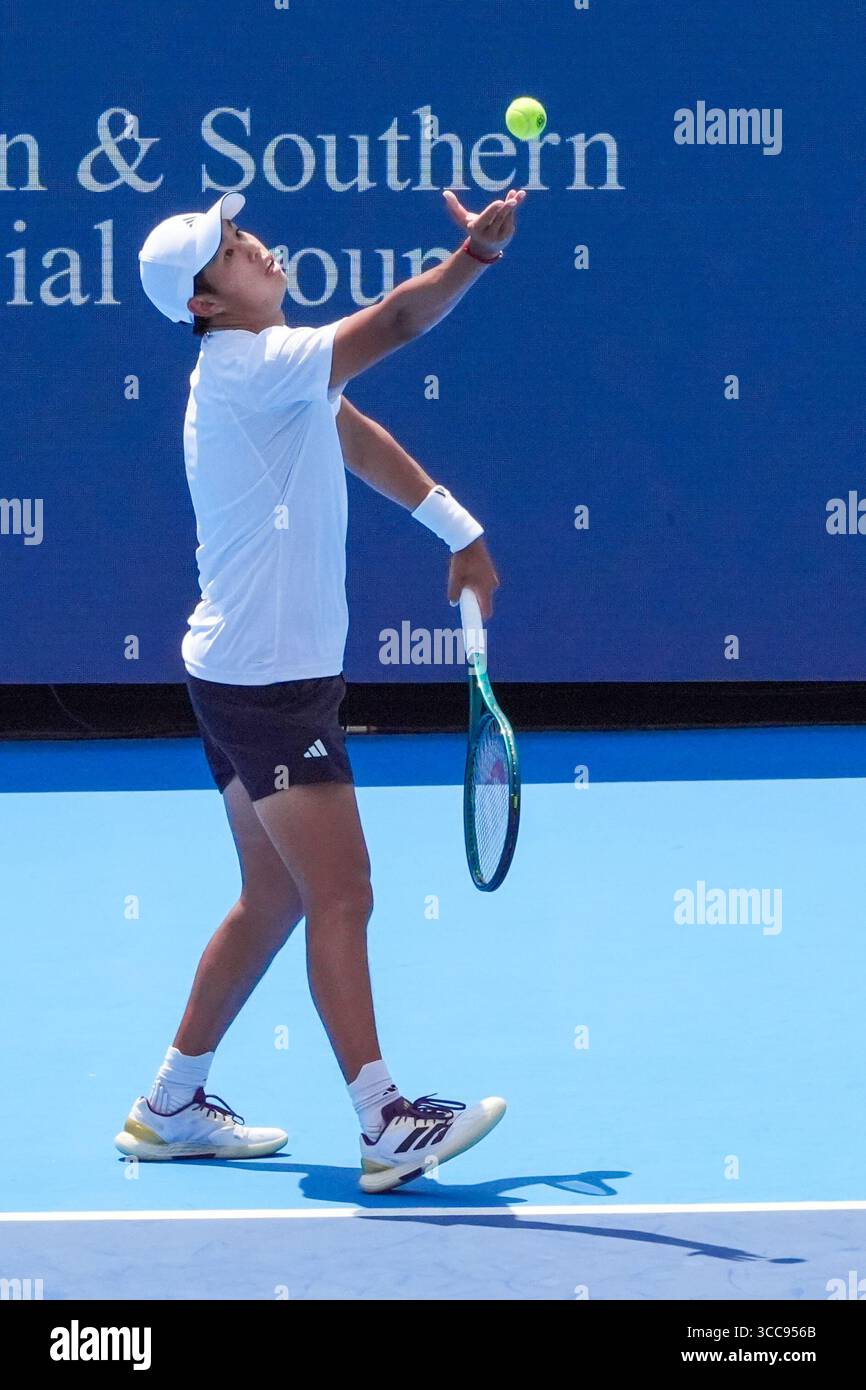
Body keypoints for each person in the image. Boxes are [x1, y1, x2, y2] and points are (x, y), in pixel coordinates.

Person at [120, 184, 525, 1191]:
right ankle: (383, 1120)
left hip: (235, 672)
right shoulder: (253, 366)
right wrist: (472, 257)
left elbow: (348, 436)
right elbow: (396, 320)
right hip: (269, 685)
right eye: (231, 250)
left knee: (272, 896)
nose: (255, 247)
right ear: (205, 303)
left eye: (243, 232)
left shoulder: (270, 373)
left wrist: (458, 529)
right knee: (340, 890)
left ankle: (170, 1103)